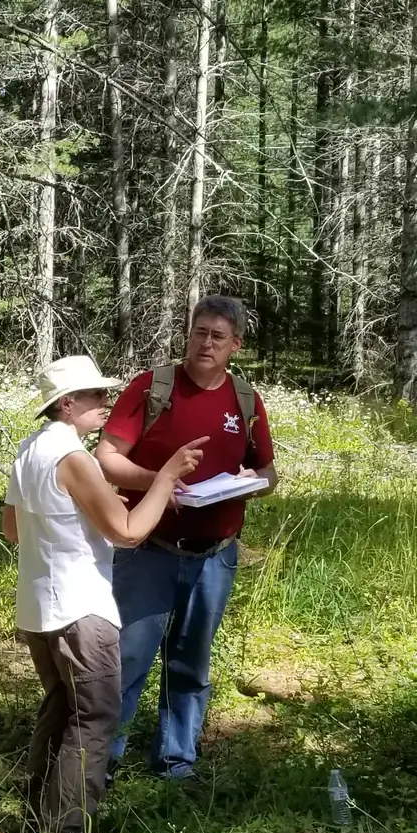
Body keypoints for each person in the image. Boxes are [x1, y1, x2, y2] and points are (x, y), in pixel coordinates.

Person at [3, 355, 194, 833]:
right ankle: (65, 832)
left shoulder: (31, 449)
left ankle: (38, 816)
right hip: (81, 608)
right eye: (95, 397)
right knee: (94, 718)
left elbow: (12, 529)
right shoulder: (71, 457)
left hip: (39, 605)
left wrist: (82, 514)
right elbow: (129, 532)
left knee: (62, 708)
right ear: (67, 405)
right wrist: (166, 476)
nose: (106, 405)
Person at [98, 295, 279, 781]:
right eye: (200, 332)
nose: (207, 343)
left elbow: (268, 472)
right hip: (147, 550)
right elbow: (107, 458)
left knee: (192, 662)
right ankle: (102, 761)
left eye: (219, 337)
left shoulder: (245, 400)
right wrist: (157, 484)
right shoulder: (151, 387)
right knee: (128, 658)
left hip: (215, 557)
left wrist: (249, 482)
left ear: (235, 345)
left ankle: (176, 763)